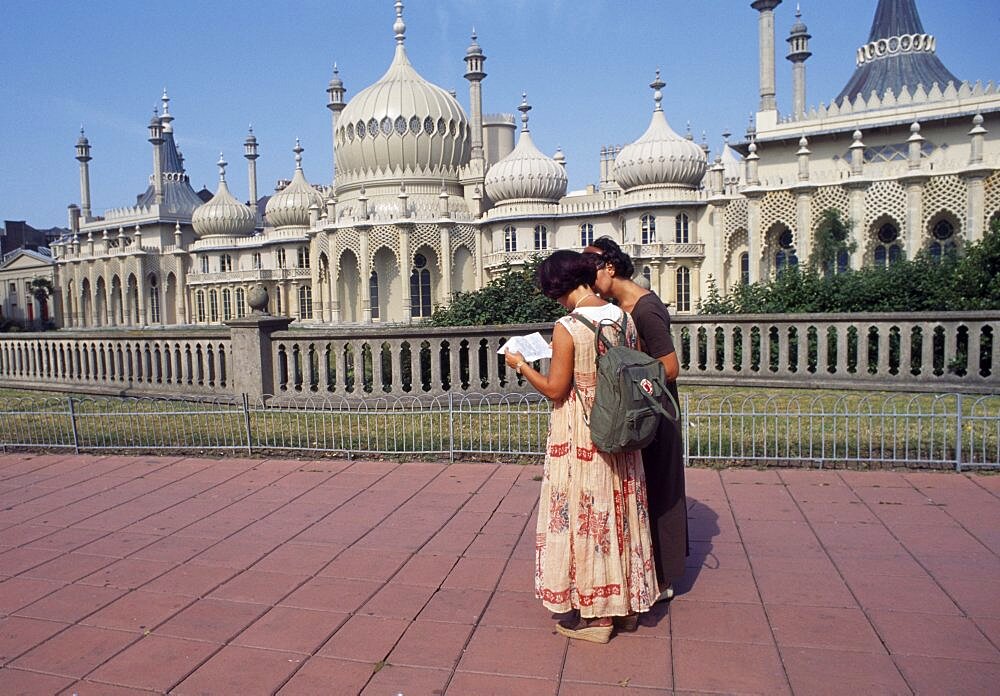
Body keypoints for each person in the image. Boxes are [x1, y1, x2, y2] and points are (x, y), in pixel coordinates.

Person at [503, 250, 658, 643]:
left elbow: (556, 390)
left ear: (558, 288)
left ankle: (596, 618)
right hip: (620, 426)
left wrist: (522, 365)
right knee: (619, 513)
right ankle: (623, 608)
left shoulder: (568, 325)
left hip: (582, 430)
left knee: (588, 517)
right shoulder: (622, 316)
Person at [584, 237, 688, 602]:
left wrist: (625, 374)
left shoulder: (645, 309)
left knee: (660, 489)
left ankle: (664, 579)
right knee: (641, 491)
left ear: (610, 267)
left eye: (591, 271)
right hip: (639, 410)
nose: (588, 280)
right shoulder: (620, 308)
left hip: (654, 411)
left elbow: (670, 366)